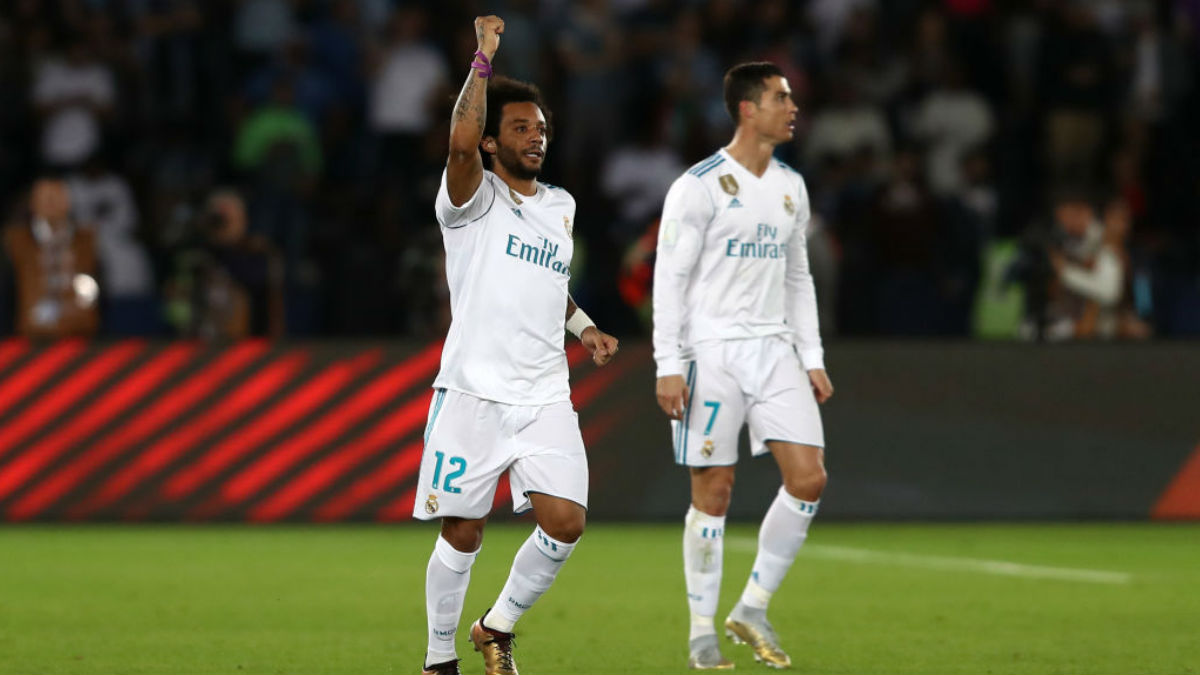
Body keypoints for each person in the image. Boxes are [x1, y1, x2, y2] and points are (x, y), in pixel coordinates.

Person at [416, 16, 619, 675]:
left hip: (542, 392)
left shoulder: (560, 206)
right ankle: (438, 657)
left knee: (566, 521)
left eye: (541, 129)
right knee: (464, 530)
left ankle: (495, 625)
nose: (536, 138)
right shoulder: (470, 199)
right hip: (473, 389)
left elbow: (548, 283)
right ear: (493, 139)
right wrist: (482, 59)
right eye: (521, 128)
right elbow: (458, 143)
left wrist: (584, 325)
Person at [652, 62, 833, 670]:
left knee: (808, 478)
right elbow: (669, 279)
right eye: (782, 97)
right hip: (710, 353)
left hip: (774, 348)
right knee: (715, 490)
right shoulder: (698, 186)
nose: (793, 107)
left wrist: (811, 356)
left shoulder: (791, 187)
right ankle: (702, 631)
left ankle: (752, 606)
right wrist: (667, 363)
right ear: (747, 109)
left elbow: (798, 277)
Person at [3, 178, 99, 338]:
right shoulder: (15, 240)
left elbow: (94, 285)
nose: (51, 203)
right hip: (28, 337)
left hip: (79, 336)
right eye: (45, 197)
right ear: (33, 203)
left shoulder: (86, 240)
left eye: (57, 196)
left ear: (68, 202)